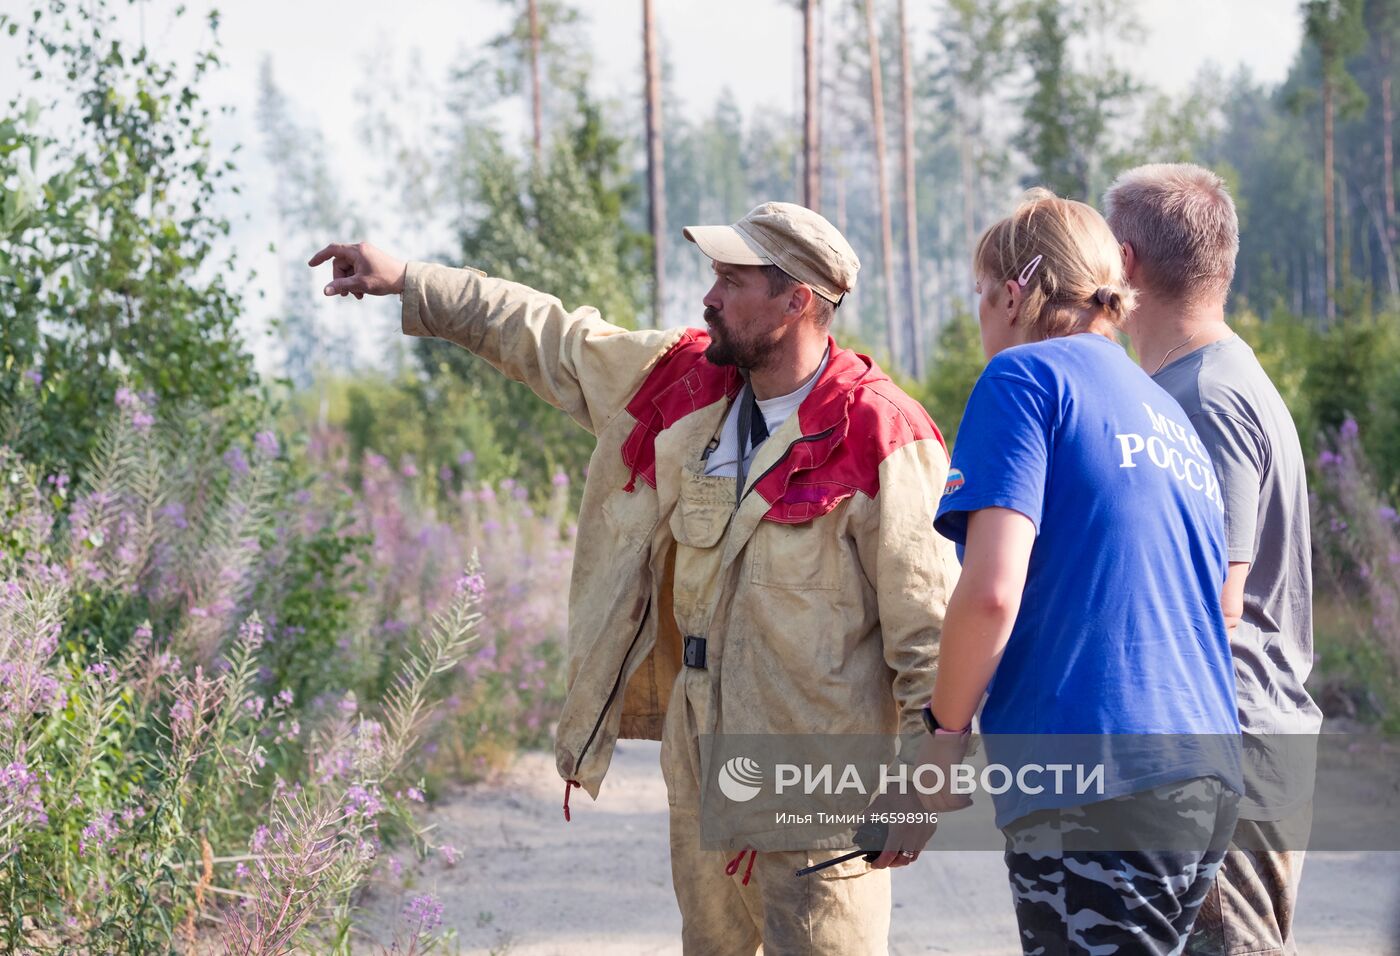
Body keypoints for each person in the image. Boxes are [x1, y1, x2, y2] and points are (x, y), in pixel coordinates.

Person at [309, 201, 960, 954]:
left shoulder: (881, 432)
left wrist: (925, 782)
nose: (708, 298)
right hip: (702, 765)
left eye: (730, 280)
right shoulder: (683, 384)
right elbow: (548, 335)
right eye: (712, 278)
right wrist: (413, 280)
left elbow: (931, 633)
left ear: (798, 300)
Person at [912, 190, 1242, 954]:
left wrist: (939, 747)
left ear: (1015, 291)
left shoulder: (1024, 380)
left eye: (980, 297)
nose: (981, 319)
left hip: (1096, 776)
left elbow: (992, 592)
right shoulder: (1164, 414)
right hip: (1202, 771)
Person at [1106, 163, 1321, 956]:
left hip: (1226, 753)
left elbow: (1214, 596)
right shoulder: (1201, 380)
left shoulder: (1206, 397)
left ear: (1124, 264)